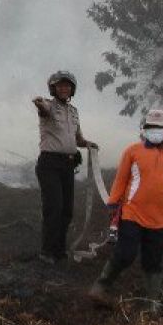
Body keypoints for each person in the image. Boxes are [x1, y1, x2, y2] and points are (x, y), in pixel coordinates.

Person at [88, 109, 163, 312]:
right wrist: (113, 203)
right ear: (144, 130)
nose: (154, 131)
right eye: (150, 127)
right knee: (125, 253)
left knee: (153, 260)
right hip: (132, 214)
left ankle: (152, 303)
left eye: (159, 128)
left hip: (162, 219)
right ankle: (100, 287)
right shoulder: (132, 151)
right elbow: (121, 179)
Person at [32, 71, 97, 263]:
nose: (64, 88)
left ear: (72, 89)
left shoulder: (74, 112)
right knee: (54, 207)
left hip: (67, 164)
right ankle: (46, 252)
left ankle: (59, 250)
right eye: (60, 85)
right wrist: (38, 103)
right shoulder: (49, 106)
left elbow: (78, 139)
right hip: (49, 164)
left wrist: (89, 144)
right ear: (53, 88)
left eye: (67, 86)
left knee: (67, 210)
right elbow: (43, 109)